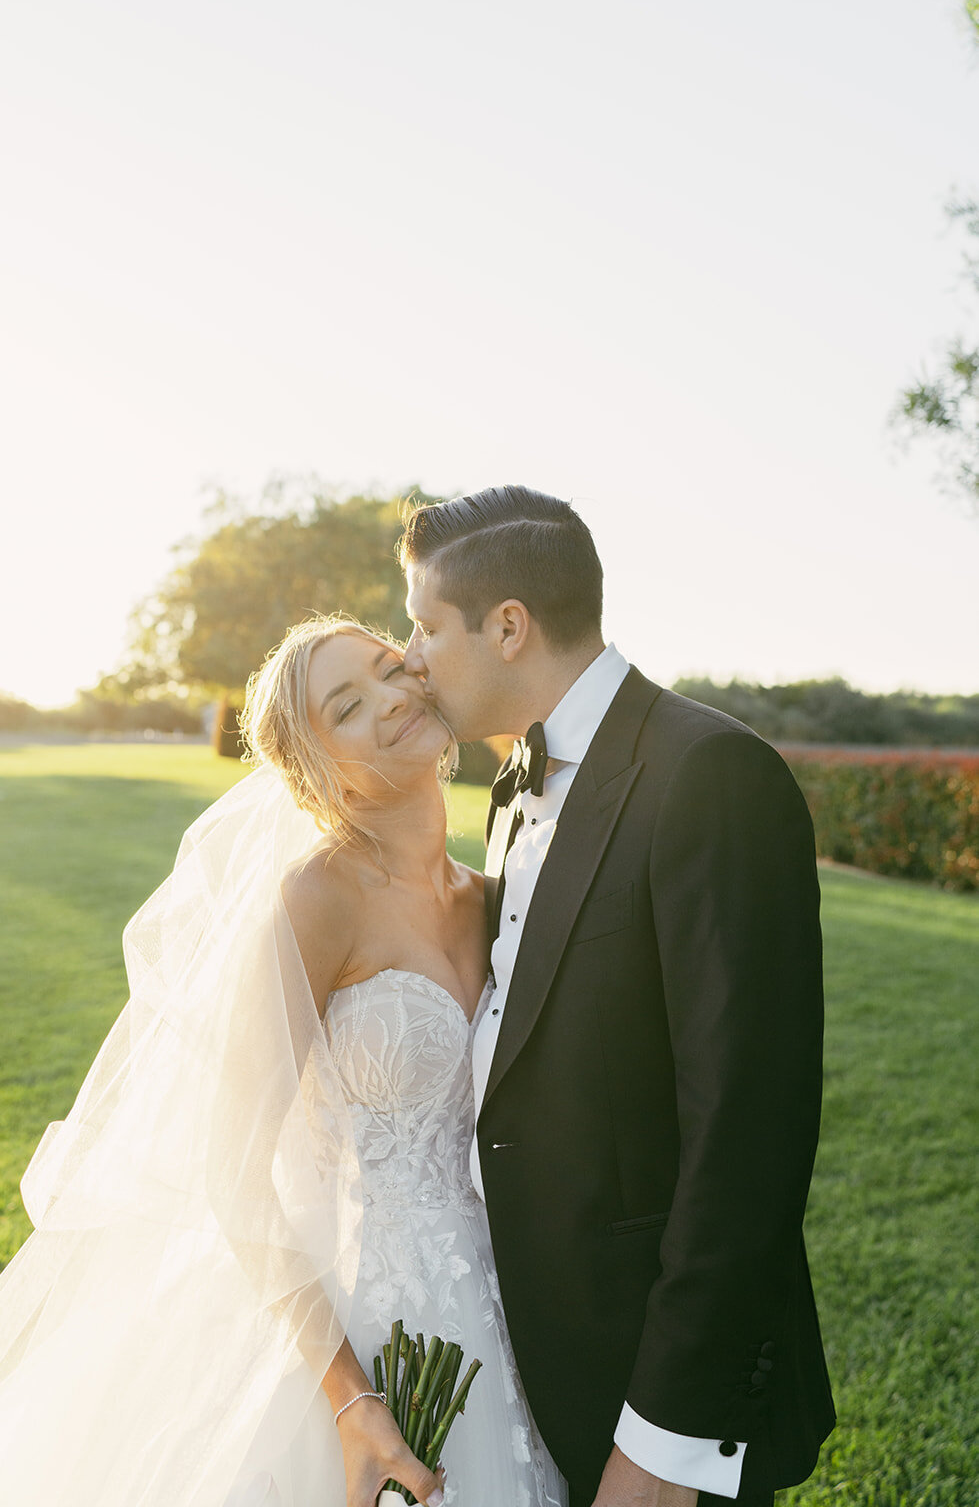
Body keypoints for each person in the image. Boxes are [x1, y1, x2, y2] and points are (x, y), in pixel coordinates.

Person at [0, 615, 565, 1507]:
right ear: (318, 770)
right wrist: (353, 1401)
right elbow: (231, 1172)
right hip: (364, 1320)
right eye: (347, 704)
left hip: (511, 1304)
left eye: (387, 669)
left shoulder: (497, 898)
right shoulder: (319, 898)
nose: (389, 698)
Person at [397, 487, 836, 1507]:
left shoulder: (709, 775)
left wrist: (664, 1441)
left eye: (423, 626)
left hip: (649, 1383)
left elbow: (749, 1141)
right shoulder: (514, 781)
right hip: (526, 1353)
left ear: (507, 626)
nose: (409, 655)